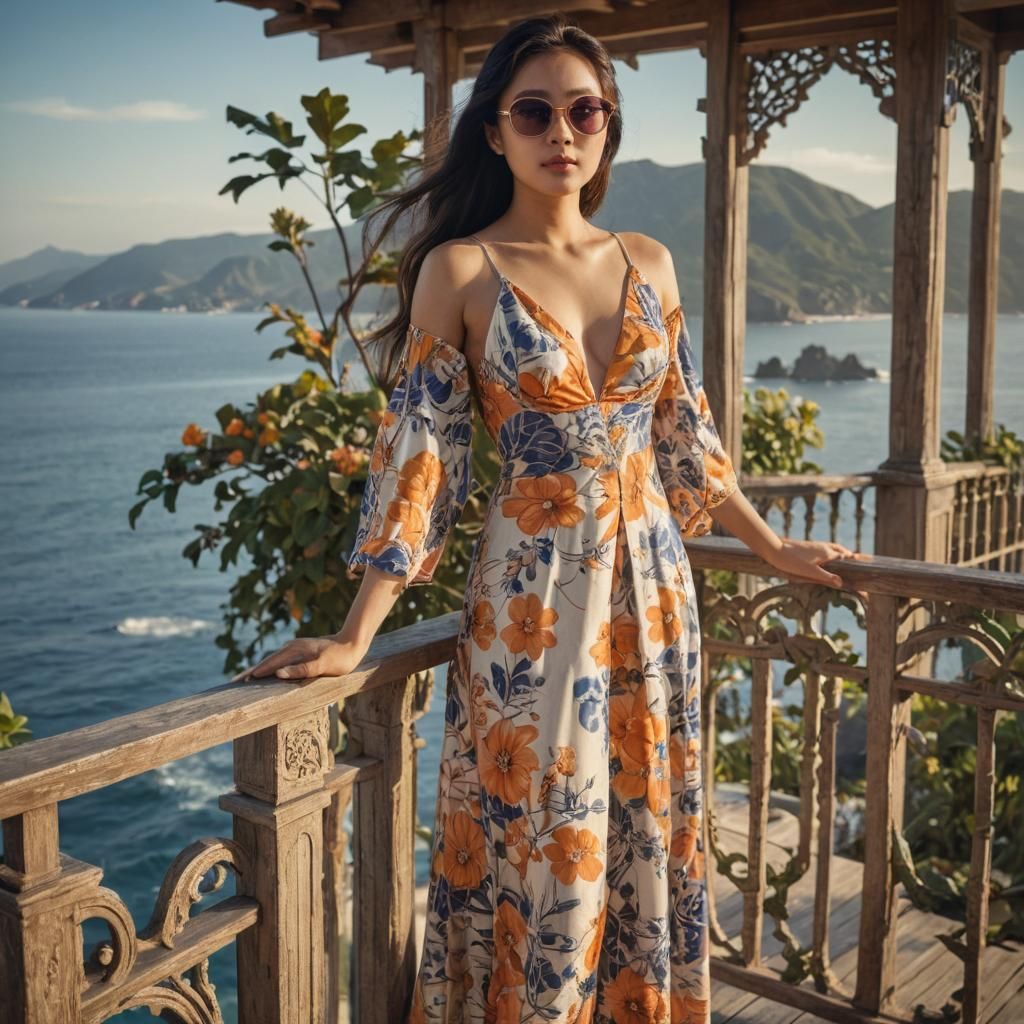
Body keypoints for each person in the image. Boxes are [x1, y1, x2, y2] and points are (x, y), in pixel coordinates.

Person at [235, 13, 855, 1022]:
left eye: (584, 110)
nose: (560, 131)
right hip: (533, 603)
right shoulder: (464, 270)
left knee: (646, 833)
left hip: (654, 594)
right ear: (494, 130)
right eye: (534, 111)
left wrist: (772, 545)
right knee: (546, 855)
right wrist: (358, 633)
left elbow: (684, 438)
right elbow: (422, 456)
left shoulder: (648, 261)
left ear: (607, 126)